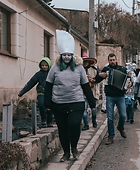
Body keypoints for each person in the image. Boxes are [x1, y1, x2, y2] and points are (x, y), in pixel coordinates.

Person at [44, 30, 95, 162]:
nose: (66, 57)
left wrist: (91, 101)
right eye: (64, 55)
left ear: (72, 56)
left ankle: (74, 147)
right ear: (61, 55)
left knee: (74, 124)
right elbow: (48, 85)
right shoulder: (54, 67)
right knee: (62, 128)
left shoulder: (79, 68)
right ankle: (66, 152)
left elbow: (85, 85)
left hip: (76, 101)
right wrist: (47, 103)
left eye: (69, 55)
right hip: (58, 103)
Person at [94, 53, 132, 145]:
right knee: (110, 117)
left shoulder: (122, 69)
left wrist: (130, 83)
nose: (112, 61)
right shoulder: (106, 69)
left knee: (123, 115)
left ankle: (120, 127)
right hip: (110, 96)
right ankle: (111, 136)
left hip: (120, 96)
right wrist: (100, 75)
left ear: (116, 60)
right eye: (110, 60)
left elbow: (129, 79)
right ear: (108, 61)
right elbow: (97, 80)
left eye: (113, 60)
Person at [18, 57, 53, 128]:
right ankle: (43, 120)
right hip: (41, 93)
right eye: (42, 65)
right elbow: (30, 83)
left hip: (50, 94)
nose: (44, 67)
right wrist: (22, 92)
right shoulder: (38, 74)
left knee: (50, 107)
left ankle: (50, 121)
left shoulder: (52, 74)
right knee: (41, 105)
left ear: (49, 65)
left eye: (46, 65)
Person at [81, 55, 99, 130]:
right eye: (84, 61)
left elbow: (98, 79)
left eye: (86, 61)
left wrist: (93, 80)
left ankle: (94, 121)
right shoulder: (80, 70)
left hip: (93, 92)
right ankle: (86, 124)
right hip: (83, 93)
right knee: (83, 109)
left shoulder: (94, 70)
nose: (85, 63)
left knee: (94, 109)